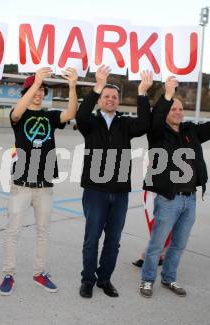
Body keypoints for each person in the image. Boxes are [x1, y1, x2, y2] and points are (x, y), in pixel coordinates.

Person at [139, 77, 210, 298]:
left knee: (179, 244)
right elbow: (156, 118)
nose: (178, 112)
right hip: (168, 198)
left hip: (190, 199)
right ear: (165, 111)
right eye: (173, 108)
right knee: (157, 244)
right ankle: (147, 279)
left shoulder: (191, 131)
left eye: (181, 109)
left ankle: (169, 278)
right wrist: (167, 95)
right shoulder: (157, 134)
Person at [0, 67, 78, 296]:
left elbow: (71, 113)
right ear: (27, 91)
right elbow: (15, 114)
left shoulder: (50, 116)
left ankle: (39, 272)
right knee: (13, 231)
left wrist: (72, 86)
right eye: (35, 89)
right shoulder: (20, 114)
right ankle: (8, 274)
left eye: (42, 89)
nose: (39, 93)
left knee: (43, 231)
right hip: (21, 184)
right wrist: (36, 82)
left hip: (44, 185)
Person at [76, 66, 153, 299]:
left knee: (113, 242)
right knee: (91, 240)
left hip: (119, 193)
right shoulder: (89, 123)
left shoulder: (125, 124)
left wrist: (142, 93)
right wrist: (98, 84)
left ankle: (105, 279)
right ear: (100, 100)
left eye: (114, 97)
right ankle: (88, 280)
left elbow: (145, 124)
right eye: (106, 96)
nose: (110, 99)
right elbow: (80, 115)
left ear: (118, 101)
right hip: (95, 191)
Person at [132, 190, 171, 268]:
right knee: (155, 227)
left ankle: (157, 254)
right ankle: (157, 254)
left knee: (166, 226)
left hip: (170, 193)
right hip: (153, 193)